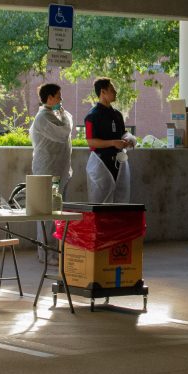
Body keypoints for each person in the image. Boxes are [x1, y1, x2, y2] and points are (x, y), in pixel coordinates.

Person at [31, 83, 74, 262]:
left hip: (60, 170)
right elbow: (63, 134)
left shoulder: (56, 115)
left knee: (57, 213)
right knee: (47, 214)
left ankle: (55, 251)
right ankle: (45, 253)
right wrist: (64, 114)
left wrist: (63, 114)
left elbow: (67, 128)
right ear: (49, 98)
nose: (61, 100)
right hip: (47, 171)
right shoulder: (42, 118)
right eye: (58, 96)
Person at [84, 78, 136, 203]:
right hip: (101, 162)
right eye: (112, 90)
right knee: (101, 201)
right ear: (103, 92)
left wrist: (129, 139)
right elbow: (91, 142)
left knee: (120, 199)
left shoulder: (117, 114)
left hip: (119, 162)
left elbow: (122, 133)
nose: (115, 92)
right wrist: (113, 142)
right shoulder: (92, 116)